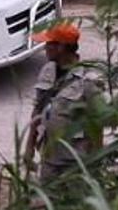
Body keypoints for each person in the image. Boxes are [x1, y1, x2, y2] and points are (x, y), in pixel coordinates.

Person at [23, 21, 104, 182]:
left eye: (48, 44)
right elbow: (37, 111)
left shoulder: (88, 81)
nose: (45, 48)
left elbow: (98, 123)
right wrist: (29, 147)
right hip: (49, 156)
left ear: (60, 47)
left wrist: (96, 161)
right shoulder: (48, 71)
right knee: (48, 201)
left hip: (76, 160)